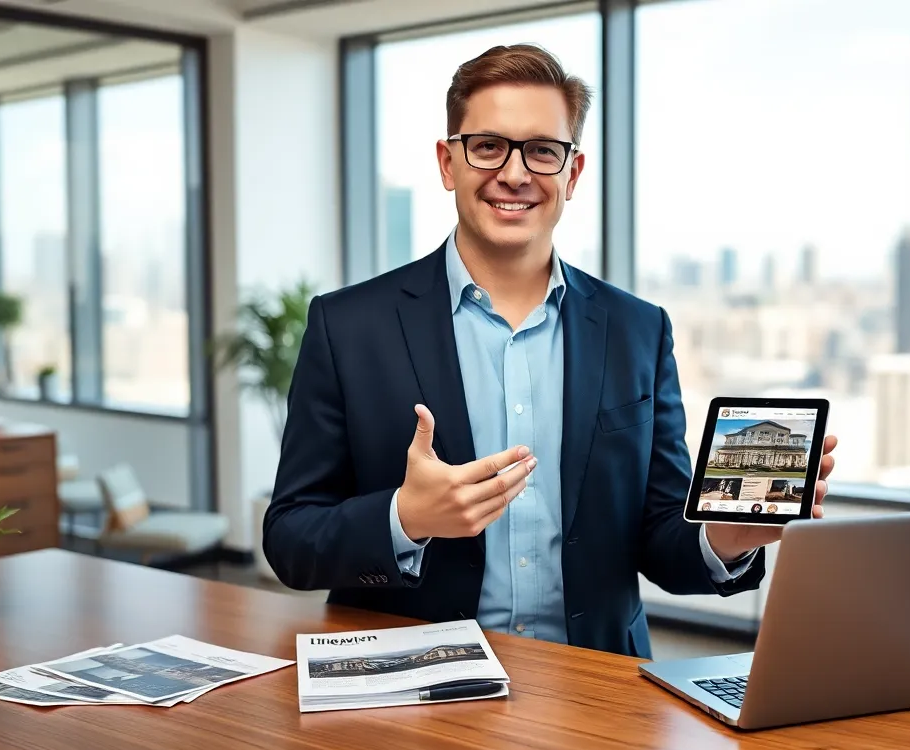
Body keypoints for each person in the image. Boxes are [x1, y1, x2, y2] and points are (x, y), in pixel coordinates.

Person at [262, 43, 838, 658]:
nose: (515, 174)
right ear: (447, 163)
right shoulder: (348, 326)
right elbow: (291, 540)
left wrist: (726, 534)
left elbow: (661, 539)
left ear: (573, 172)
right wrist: (406, 518)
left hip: (600, 697)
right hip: (417, 690)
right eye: (488, 146)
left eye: (542, 150)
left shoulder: (638, 330)